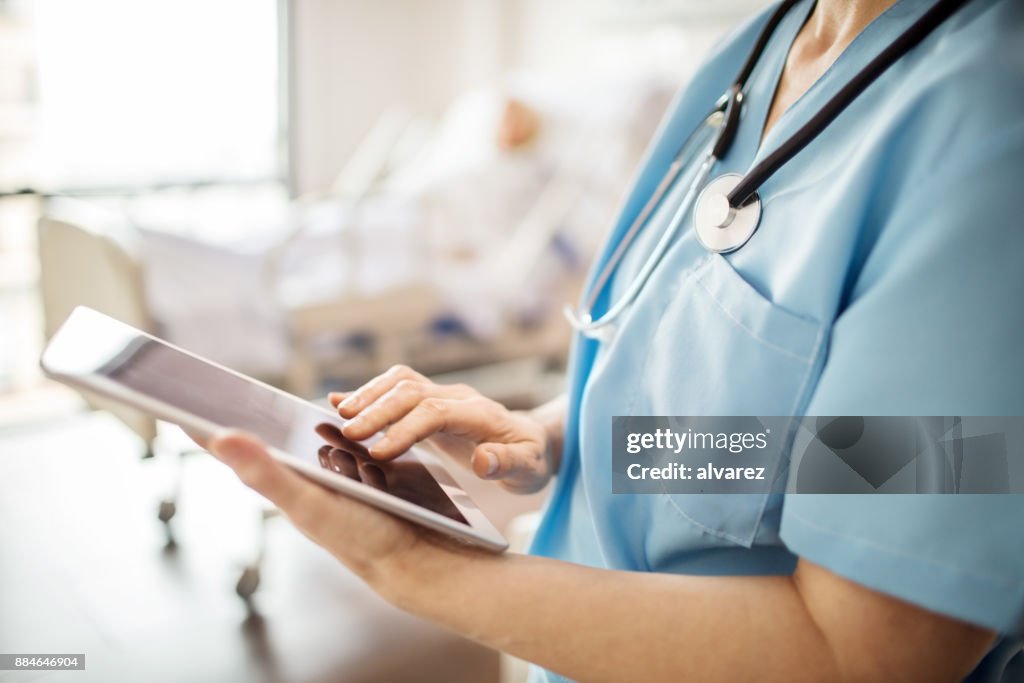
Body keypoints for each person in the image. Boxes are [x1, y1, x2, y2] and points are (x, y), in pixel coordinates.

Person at [204, 0, 1024, 680]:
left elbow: (860, 653)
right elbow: (812, 450)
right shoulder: (764, 45)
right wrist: (555, 432)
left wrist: (419, 570)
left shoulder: (992, 128)